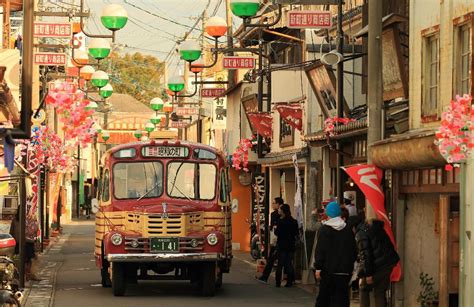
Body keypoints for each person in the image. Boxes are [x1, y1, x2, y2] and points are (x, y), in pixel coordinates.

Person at [314, 201, 357, 307]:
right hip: (344, 272)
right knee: (341, 300)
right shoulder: (348, 229)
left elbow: (320, 250)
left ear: (328, 214)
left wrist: (318, 268)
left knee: (324, 299)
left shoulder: (324, 230)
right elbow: (353, 250)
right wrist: (351, 267)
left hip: (327, 271)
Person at [355, 218, 400, 307]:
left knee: (363, 287)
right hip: (388, 263)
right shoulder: (377, 228)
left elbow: (366, 255)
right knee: (380, 292)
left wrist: (368, 274)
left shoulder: (361, 233)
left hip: (378, 266)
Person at [257, 197, 284, 284]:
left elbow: (273, 229)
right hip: (282, 241)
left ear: (279, 204)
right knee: (284, 261)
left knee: (272, 259)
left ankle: (265, 277)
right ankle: (290, 279)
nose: (272, 205)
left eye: (274, 203)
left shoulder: (274, 215)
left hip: (277, 240)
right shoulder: (287, 217)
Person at [274, 203, 298, 288]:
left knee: (280, 264)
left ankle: (277, 282)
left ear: (283, 211)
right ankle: (289, 282)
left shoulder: (280, 221)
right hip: (291, 245)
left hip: (282, 244)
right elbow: (296, 233)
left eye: (280, 209)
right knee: (289, 263)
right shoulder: (294, 221)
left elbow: (277, 232)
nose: (279, 210)